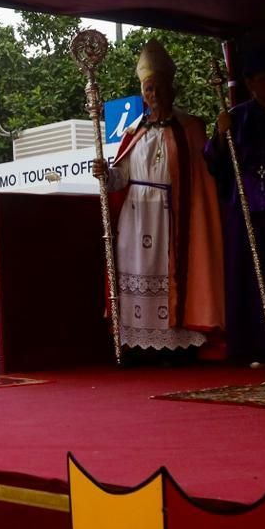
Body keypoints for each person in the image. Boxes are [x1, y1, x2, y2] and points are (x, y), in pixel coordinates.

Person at [102, 40, 225, 359]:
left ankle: (175, 346)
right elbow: (120, 178)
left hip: (172, 216)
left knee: (171, 275)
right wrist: (104, 173)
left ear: (171, 89)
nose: (152, 95)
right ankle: (137, 344)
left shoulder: (190, 127)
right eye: (147, 89)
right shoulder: (133, 131)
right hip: (135, 215)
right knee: (137, 273)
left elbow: (204, 177)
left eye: (157, 88)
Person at [203, 45, 265, 367]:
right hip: (246, 207)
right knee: (249, 278)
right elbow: (215, 163)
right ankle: (256, 345)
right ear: (251, 83)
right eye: (264, 79)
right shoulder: (237, 116)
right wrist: (220, 136)